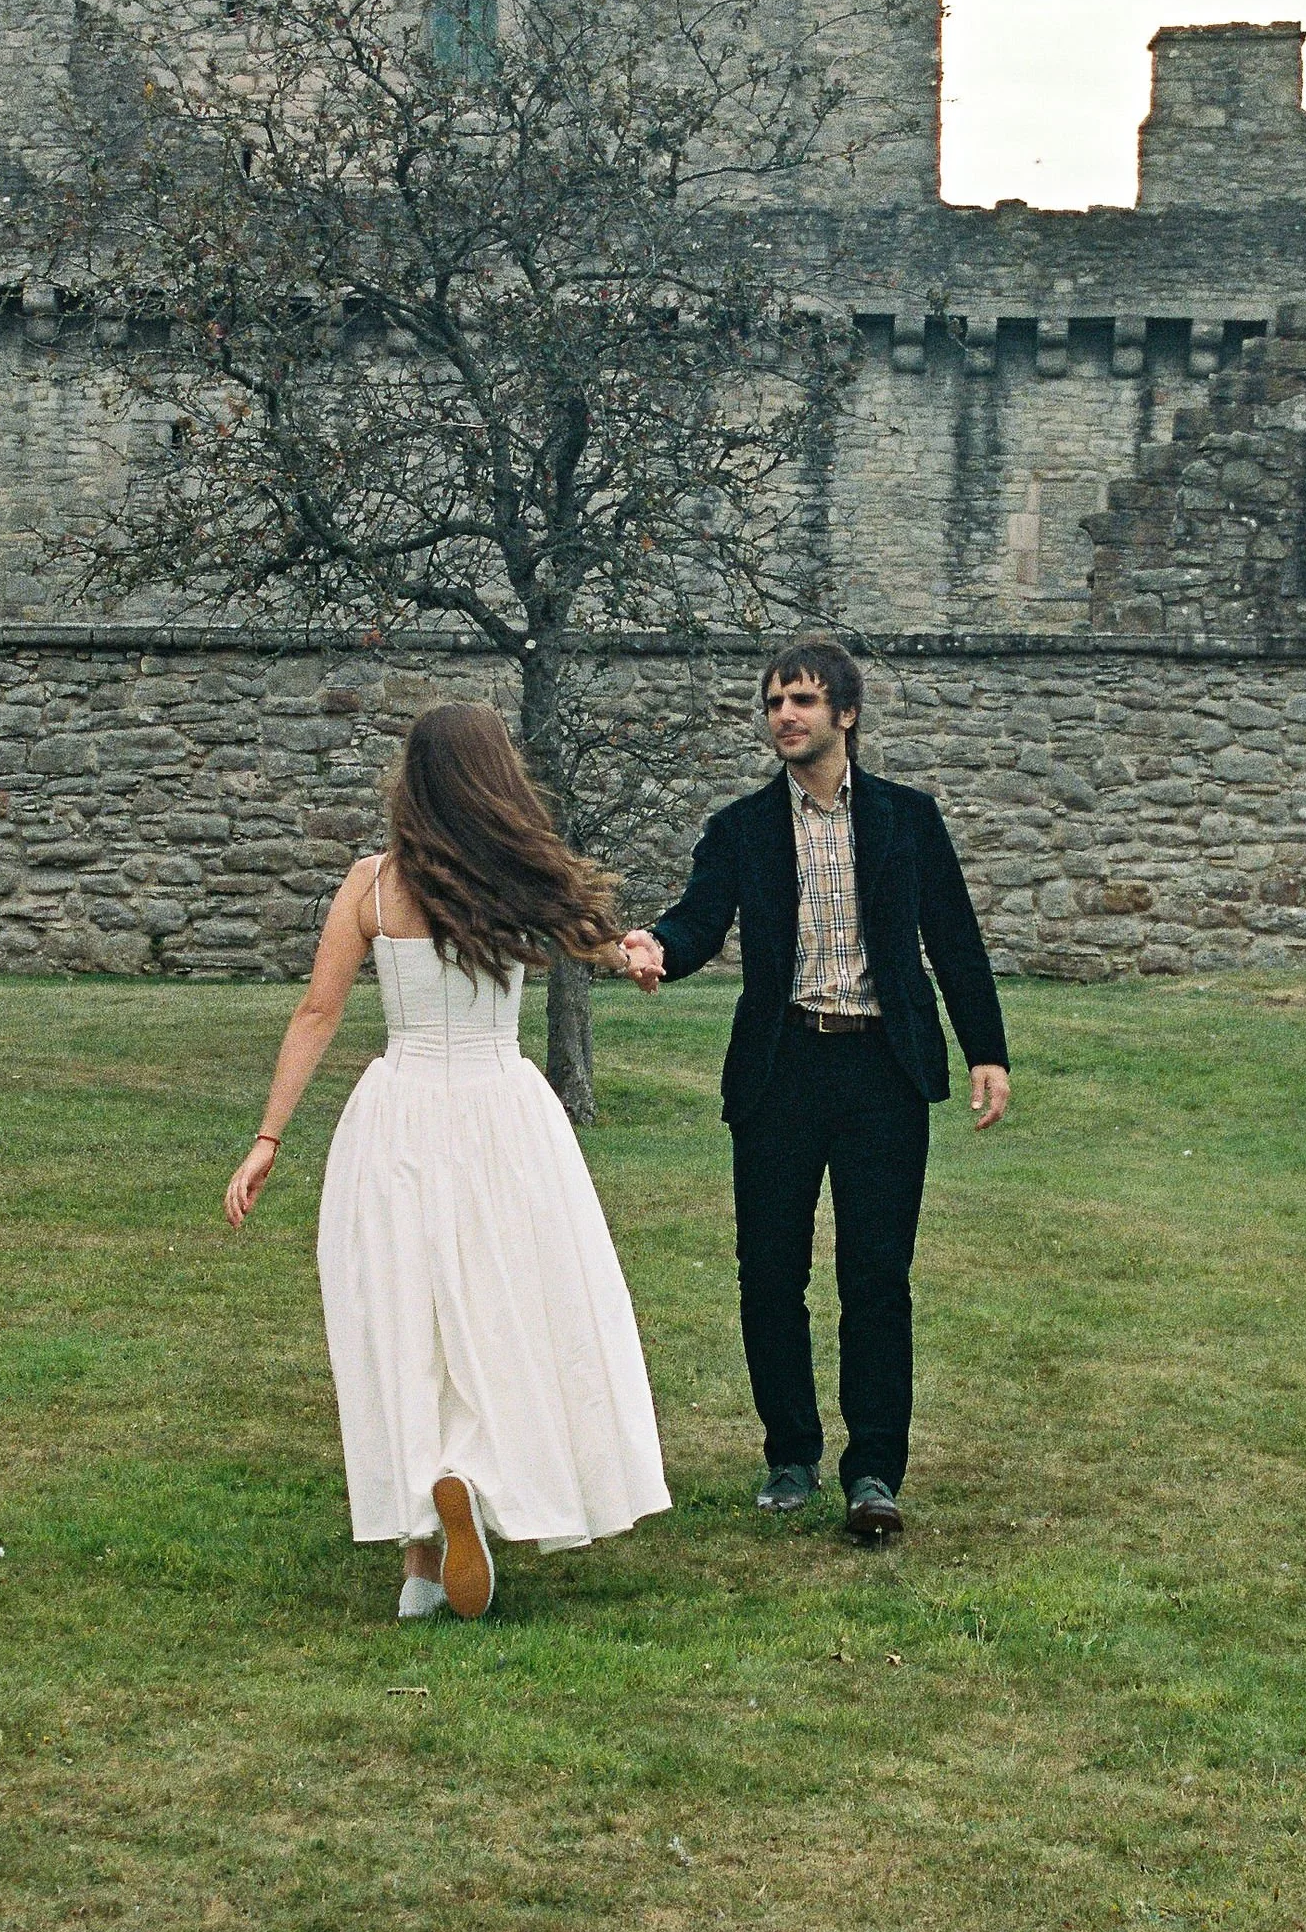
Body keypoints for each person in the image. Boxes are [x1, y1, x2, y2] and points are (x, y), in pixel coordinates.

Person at [225, 703, 670, 1621]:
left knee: (403, 1322)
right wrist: (634, 952)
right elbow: (596, 943)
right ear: (495, 777)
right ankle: (472, 1475)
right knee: (505, 1311)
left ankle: (421, 1562)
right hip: (504, 1118)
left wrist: (268, 1137)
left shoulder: (372, 887)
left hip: (395, 1122)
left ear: (411, 778)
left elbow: (317, 1013)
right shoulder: (514, 876)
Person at [621, 641, 1010, 1544]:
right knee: (770, 1273)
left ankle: (873, 1468)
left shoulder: (909, 820)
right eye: (773, 703)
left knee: (876, 1277)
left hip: (884, 1071)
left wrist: (987, 1049)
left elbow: (954, 938)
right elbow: (697, 918)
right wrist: (658, 950)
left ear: (847, 713)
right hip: (781, 1070)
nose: (784, 715)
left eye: (801, 700)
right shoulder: (741, 828)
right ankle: (790, 1454)